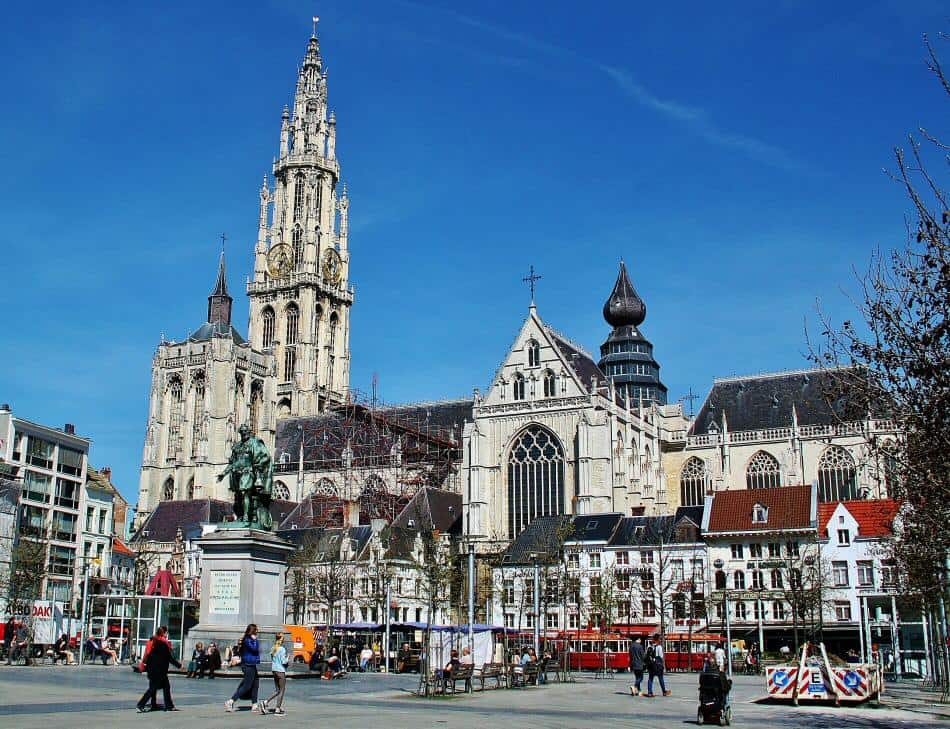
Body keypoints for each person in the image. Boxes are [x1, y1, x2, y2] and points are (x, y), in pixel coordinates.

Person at [136, 627, 181, 712]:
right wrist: (179, 665)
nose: (167, 634)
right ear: (163, 633)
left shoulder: (153, 641)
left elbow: (147, 654)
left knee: (165, 686)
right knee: (153, 688)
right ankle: (141, 704)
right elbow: (169, 657)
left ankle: (168, 705)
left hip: (152, 668)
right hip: (159, 670)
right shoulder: (163, 643)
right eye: (166, 633)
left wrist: (144, 665)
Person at [226, 624, 263, 714]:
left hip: (252, 664)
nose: (258, 631)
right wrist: (255, 640)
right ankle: (230, 701)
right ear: (252, 630)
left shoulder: (249, 639)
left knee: (255, 684)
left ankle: (254, 704)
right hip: (248, 664)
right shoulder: (248, 640)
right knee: (247, 685)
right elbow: (255, 649)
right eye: (256, 629)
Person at [262, 632, 288, 716]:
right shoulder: (282, 649)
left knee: (277, 690)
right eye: (283, 638)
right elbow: (284, 662)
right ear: (281, 639)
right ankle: (277, 708)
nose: (284, 639)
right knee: (282, 690)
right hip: (280, 671)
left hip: (274, 670)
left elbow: (273, 659)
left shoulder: (273, 648)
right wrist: (288, 659)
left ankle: (265, 702)